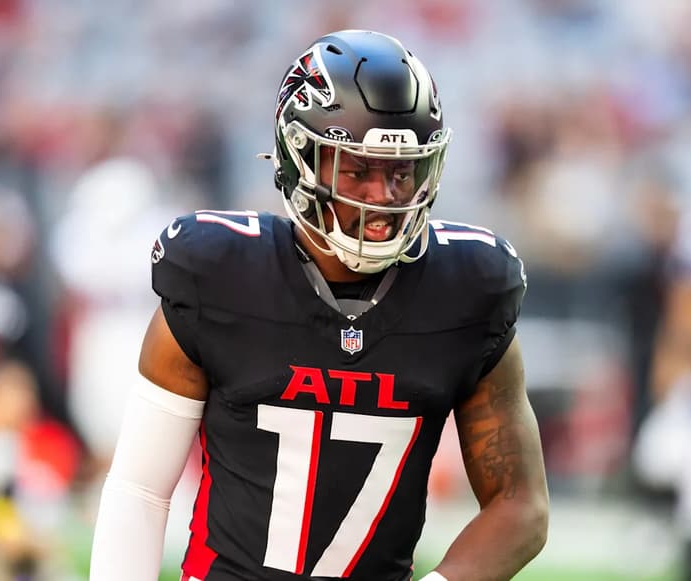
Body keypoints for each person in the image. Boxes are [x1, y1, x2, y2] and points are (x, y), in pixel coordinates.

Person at [89, 29, 549, 581]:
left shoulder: (467, 290)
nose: (383, 197)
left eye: (401, 172)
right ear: (298, 157)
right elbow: (139, 487)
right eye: (358, 170)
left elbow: (520, 506)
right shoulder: (220, 277)